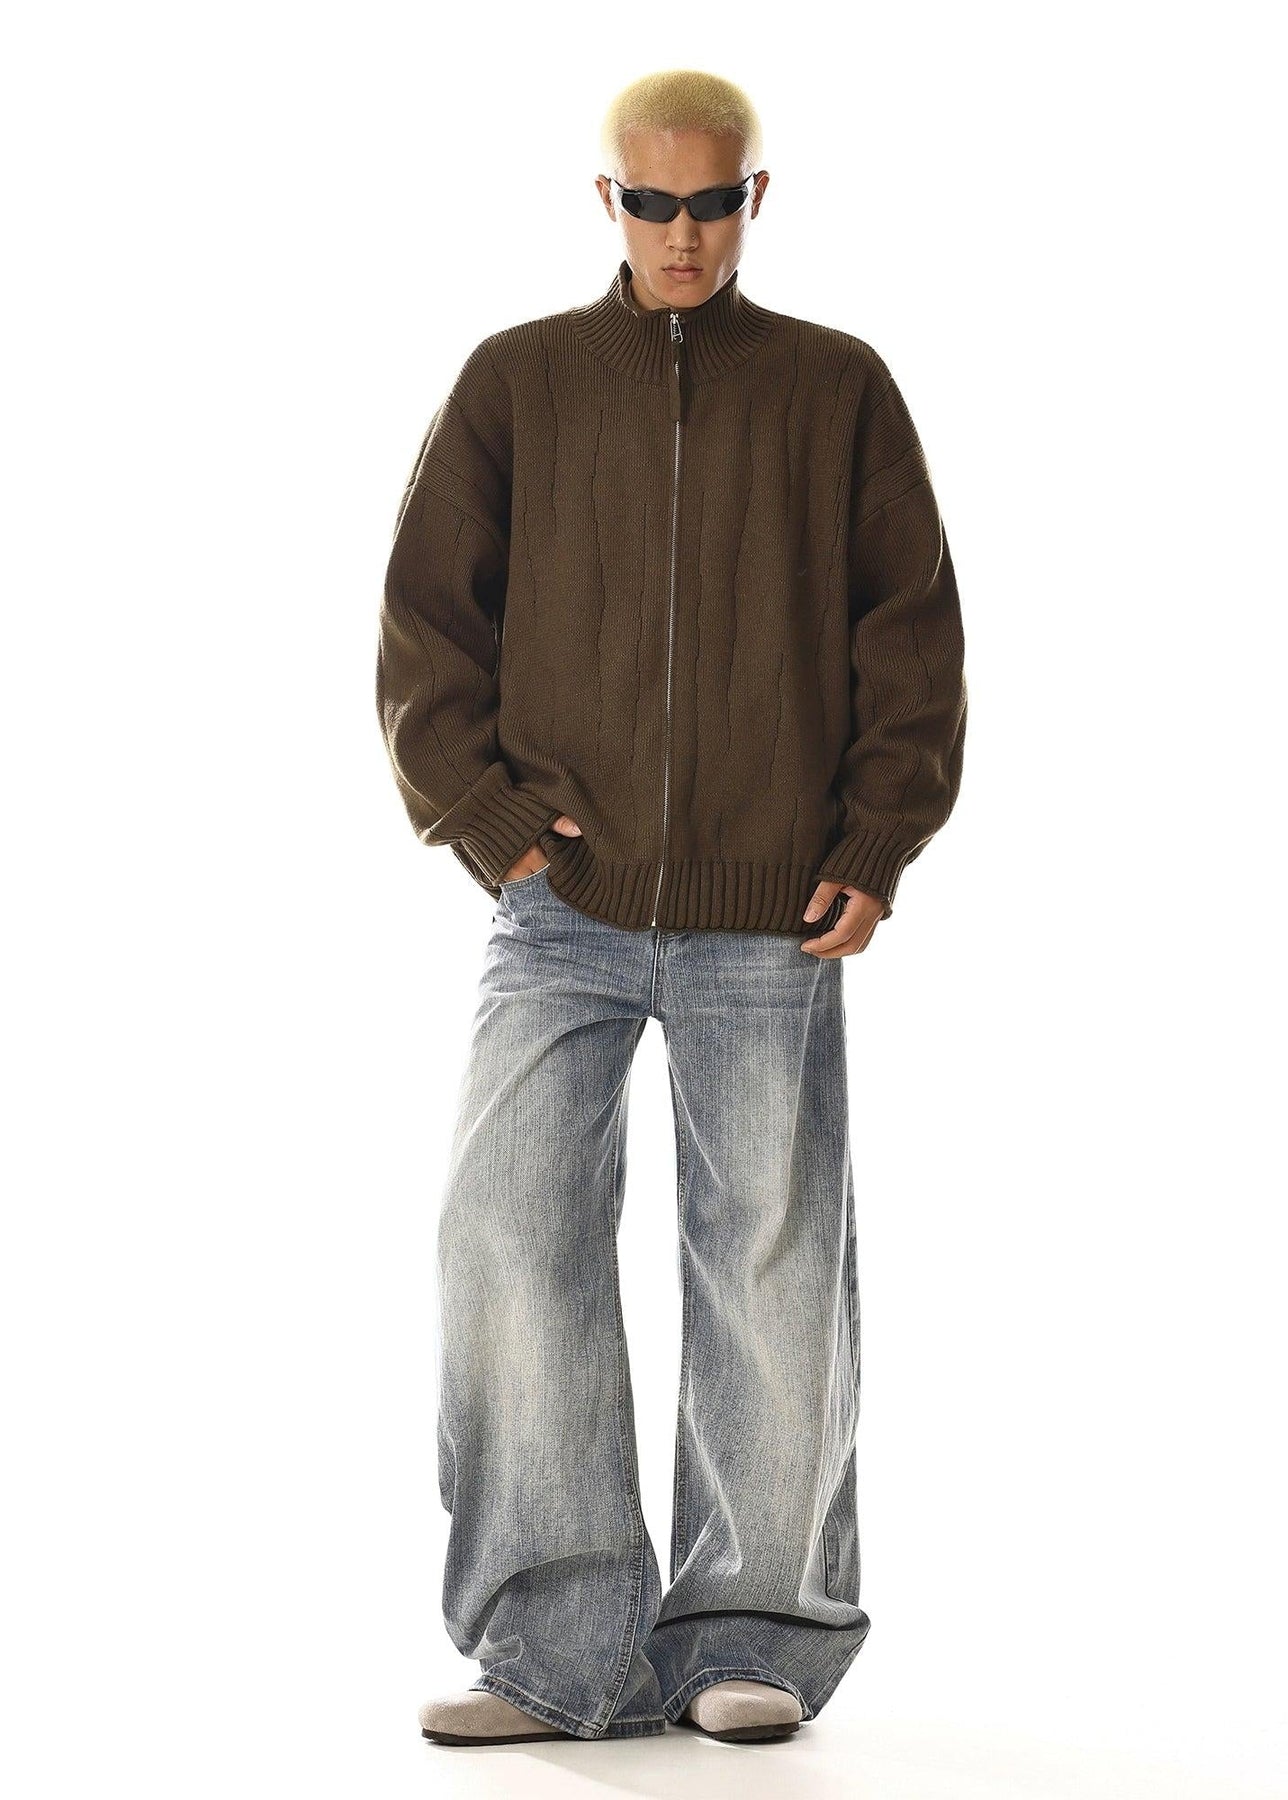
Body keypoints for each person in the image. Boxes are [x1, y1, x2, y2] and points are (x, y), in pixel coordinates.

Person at [376, 67, 967, 1748]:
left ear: (752, 199)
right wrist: (490, 821)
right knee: (506, 1234)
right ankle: (557, 1650)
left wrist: (876, 838)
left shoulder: (838, 387)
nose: (683, 233)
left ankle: (749, 1636)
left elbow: (909, 633)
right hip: (558, 903)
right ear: (608, 201)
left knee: (767, 1260)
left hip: (769, 910)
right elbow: (423, 623)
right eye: (653, 202)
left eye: (712, 202)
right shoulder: (517, 381)